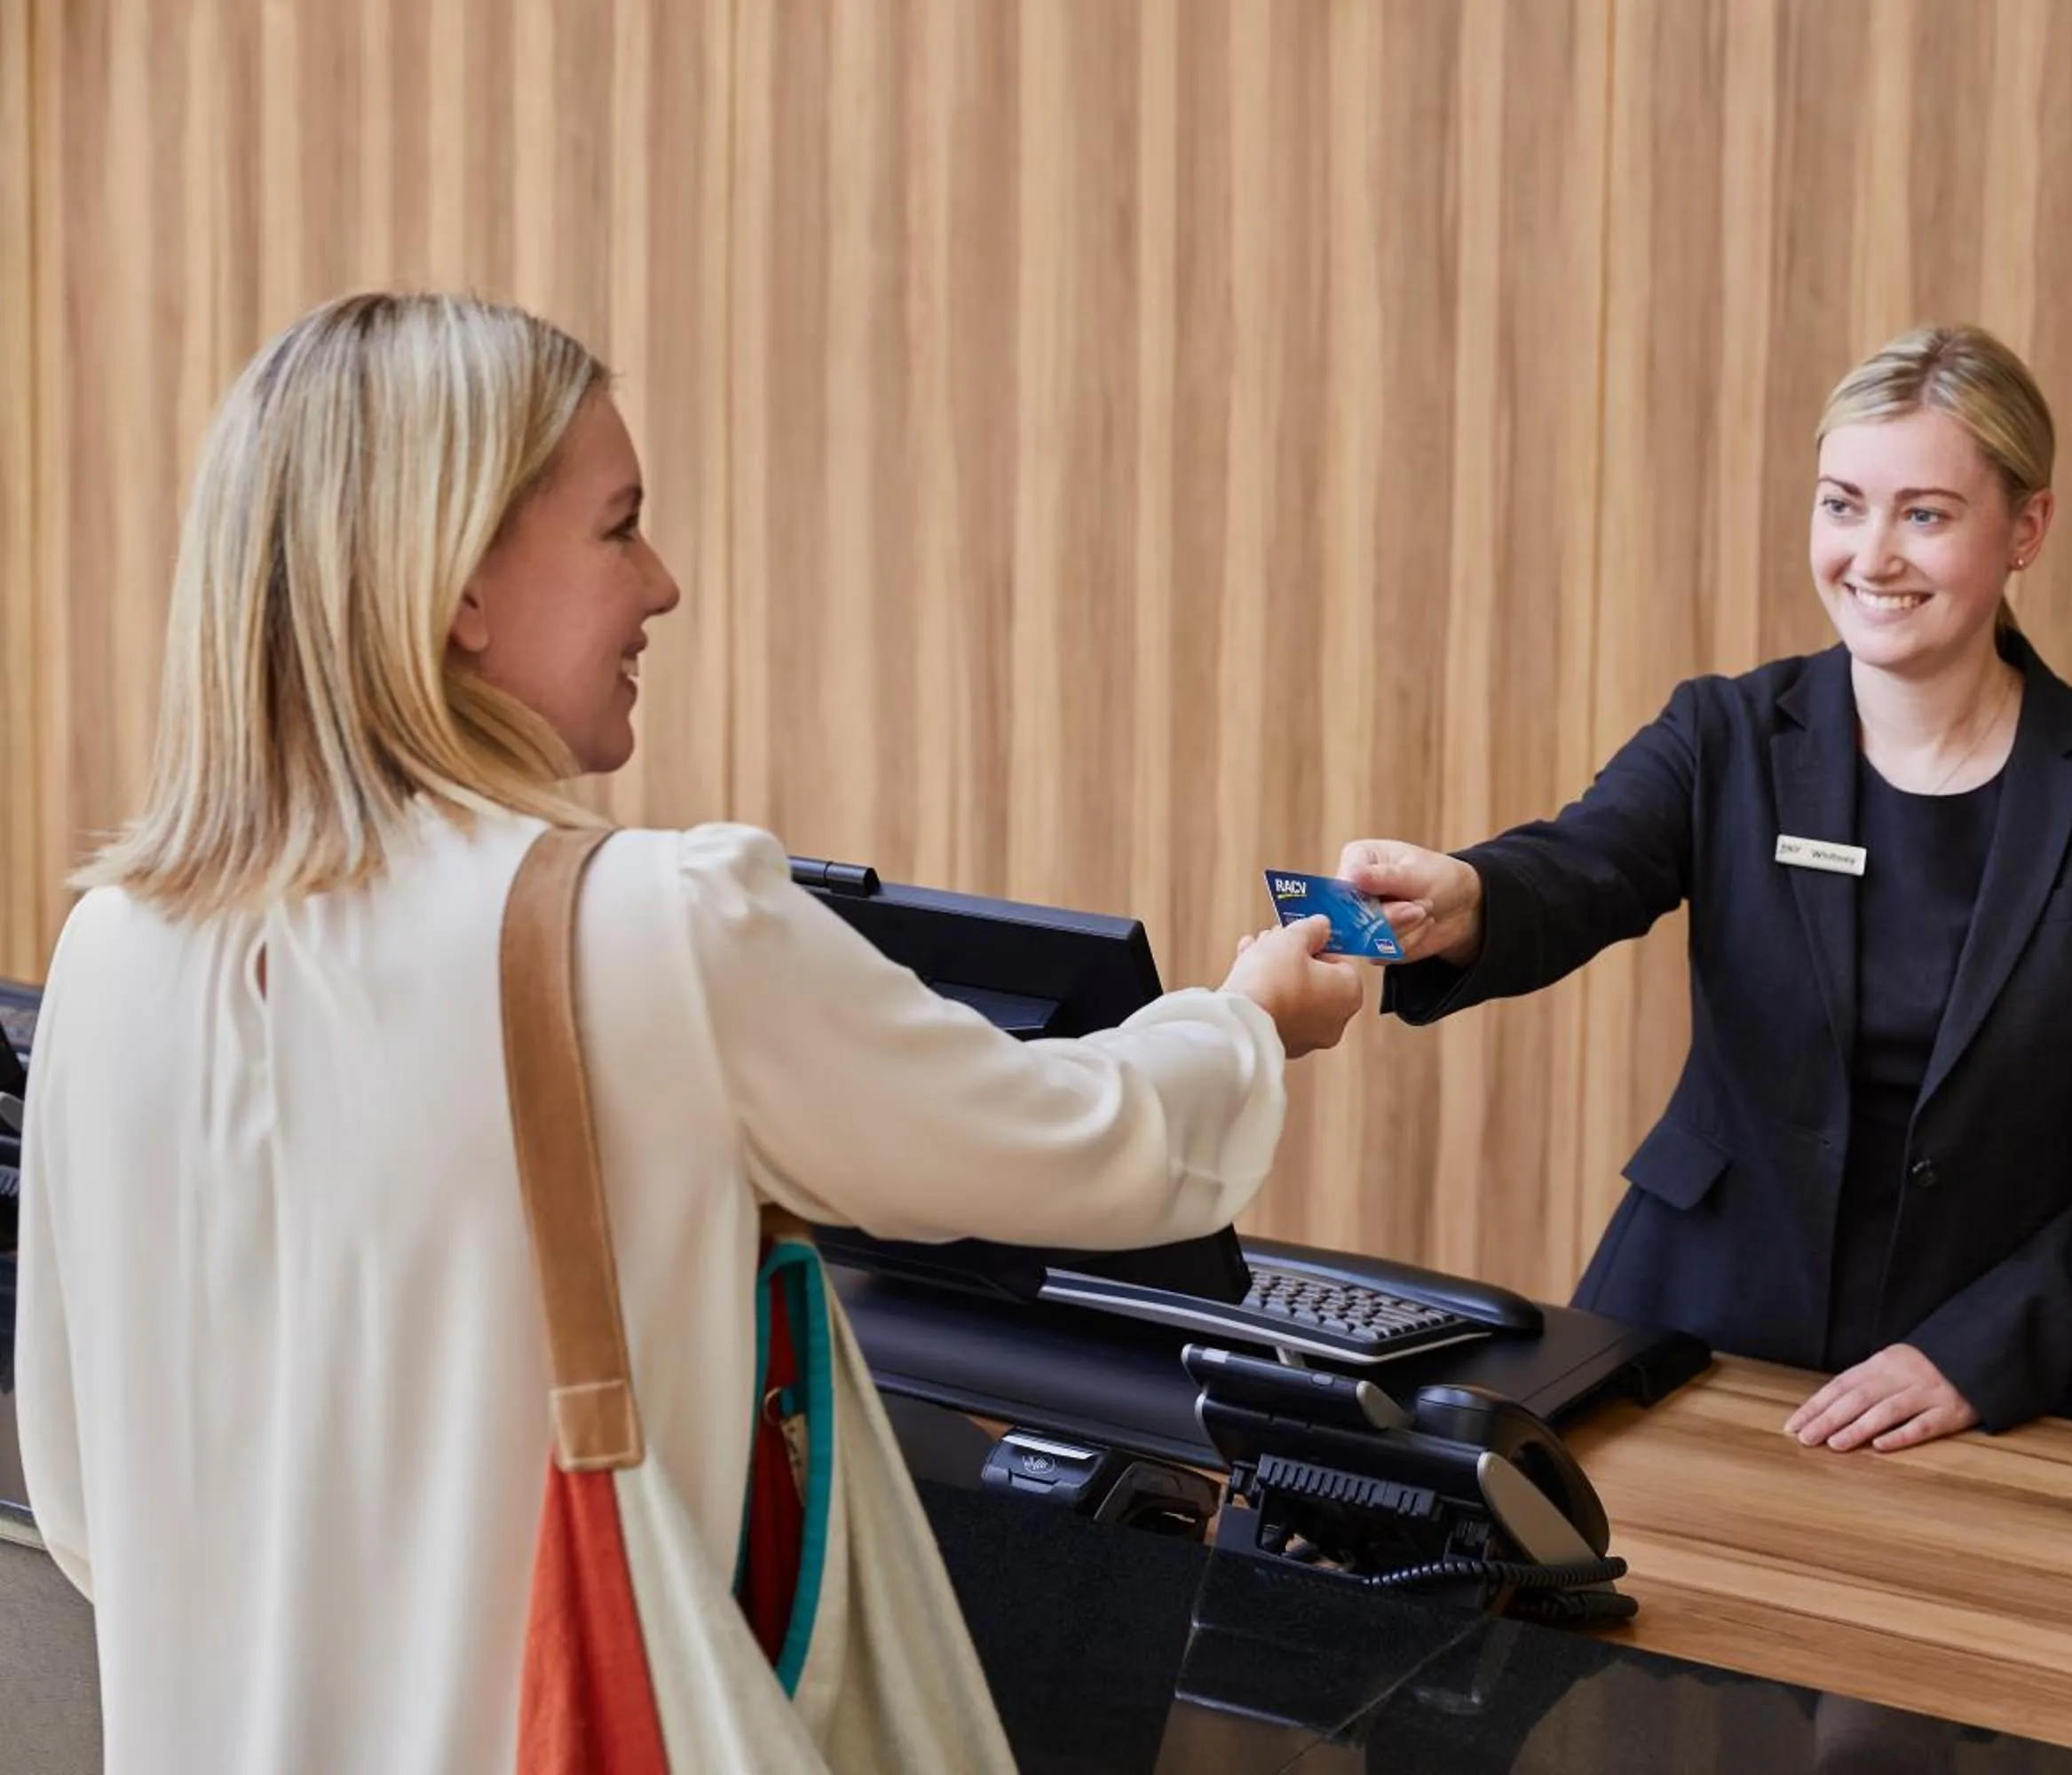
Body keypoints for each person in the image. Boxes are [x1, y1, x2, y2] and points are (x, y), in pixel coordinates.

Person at [10, 292, 1364, 1773]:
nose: (661, 583)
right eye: (618, 526)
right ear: (460, 584)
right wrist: (1247, 1025)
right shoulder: (641, 928)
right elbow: (1092, 1148)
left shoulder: (113, 950)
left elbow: (84, 1502)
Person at [1340, 324, 2072, 1452]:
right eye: (1842, 504)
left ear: (2027, 528)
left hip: (2006, 1381)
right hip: (1697, 1329)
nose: (1871, 555)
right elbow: (1583, 863)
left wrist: (1985, 1350)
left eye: (1924, 514)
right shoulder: (1726, 733)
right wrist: (1469, 897)